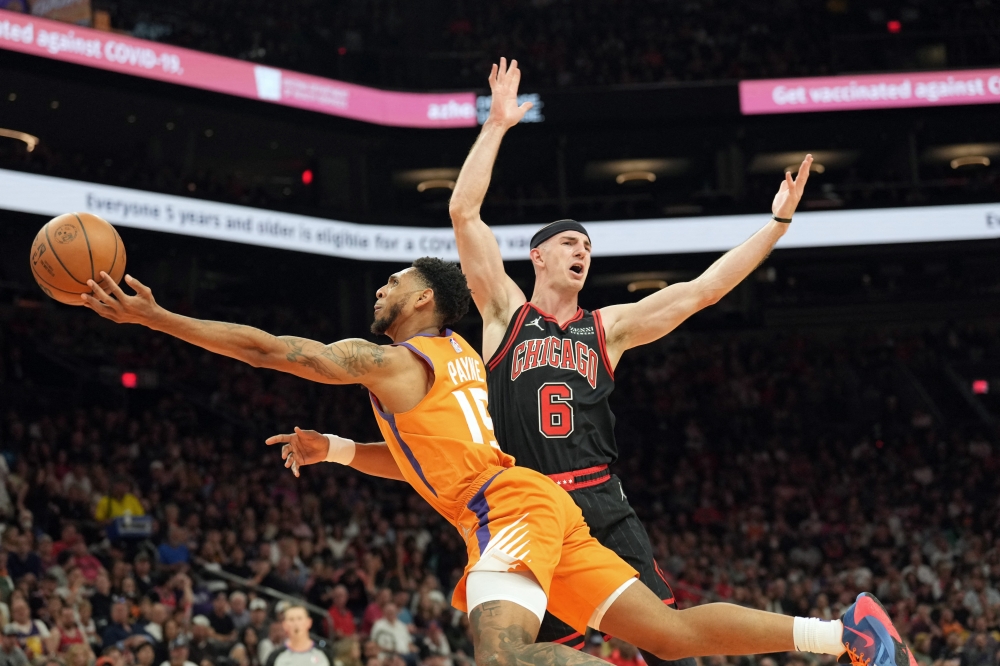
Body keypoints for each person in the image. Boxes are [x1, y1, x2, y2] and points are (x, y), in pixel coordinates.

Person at [80, 259, 910, 666]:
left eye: (393, 281)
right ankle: (850, 634)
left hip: (509, 512)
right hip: (528, 502)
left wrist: (158, 319)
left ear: (422, 301)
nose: (381, 289)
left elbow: (275, 352)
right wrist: (332, 449)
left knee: (504, 659)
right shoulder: (445, 367)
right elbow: (417, 463)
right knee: (672, 633)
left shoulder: (395, 362)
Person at [444, 56, 827, 660]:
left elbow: (702, 290)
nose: (583, 251)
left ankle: (830, 639)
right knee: (520, 656)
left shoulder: (609, 328)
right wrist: (494, 127)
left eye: (588, 246)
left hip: (600, 501)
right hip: (530, 504)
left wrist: (775, 225)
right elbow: (465, 214)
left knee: (667, 644)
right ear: (537, 256)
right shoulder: (504, 314)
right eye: (570, 242)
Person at [263, 605, 330, 666]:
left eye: (299, 618)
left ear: (309, 622)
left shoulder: (324, 654)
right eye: (291, 619)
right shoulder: (275, 657)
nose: (296, 624)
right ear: (285, 625)